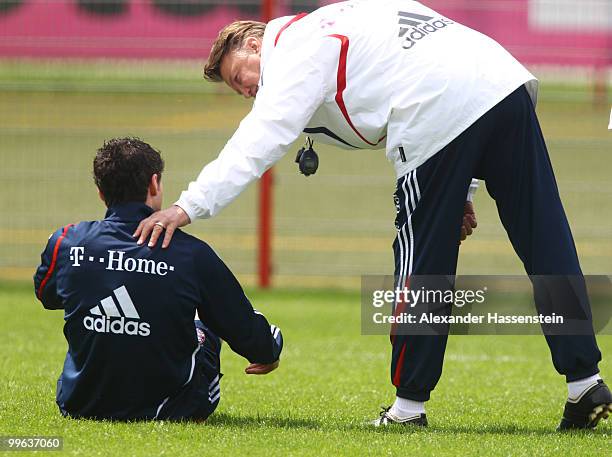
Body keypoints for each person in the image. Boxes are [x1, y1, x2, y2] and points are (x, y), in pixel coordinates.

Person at [133, 0, 610, 429]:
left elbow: (262, 137)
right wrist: (463, 186)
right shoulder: (343, 16)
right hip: (502, 83)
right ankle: (585, 384)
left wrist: (188, 205)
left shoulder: (294, 46)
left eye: (243, 76)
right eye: (239, 91)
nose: (249, 91)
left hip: (435, 109)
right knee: (546, 240)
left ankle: (408, 408)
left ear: (256, 42)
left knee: (422, 266)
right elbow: (431, 58)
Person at [34, 137, 283, 420]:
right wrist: (269, 349)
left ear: (101, 192)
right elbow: (243, 328)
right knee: (208, 325)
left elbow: (48, 296)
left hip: (80, 404)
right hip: (173, 409)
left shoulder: (66, 242)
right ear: (155, 184)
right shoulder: (192, 254)